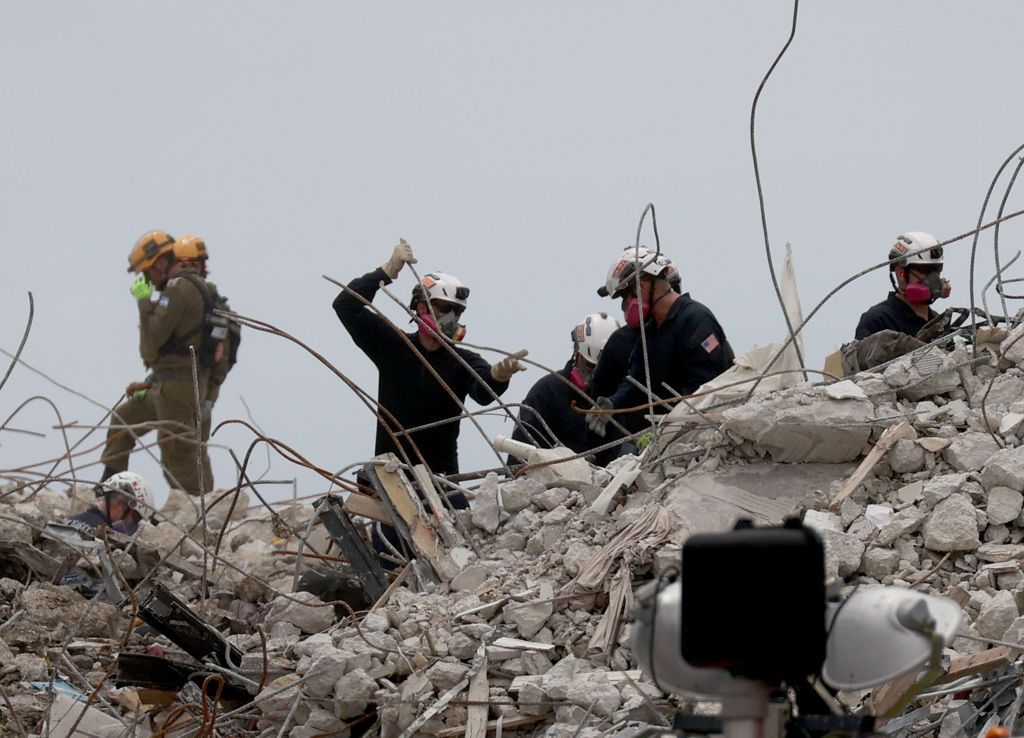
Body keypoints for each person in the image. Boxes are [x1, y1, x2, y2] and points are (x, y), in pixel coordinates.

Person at [333, 240, 528, 482]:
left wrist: (499, 376)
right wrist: (387, 271)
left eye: (457, 311)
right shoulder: (393, 347)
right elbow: (346, 305)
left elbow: (483, 392)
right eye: (445, 308)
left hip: (442, 479)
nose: (452, 317)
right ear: (421, 307)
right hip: (392, 477)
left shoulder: (463, 361)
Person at [99, 230, 214, 496]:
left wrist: (143, 302)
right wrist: (150, 381)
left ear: (161, 262)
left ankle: (198, 507)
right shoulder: (188, 288)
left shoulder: (178, 288)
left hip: (179, 387)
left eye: (147, 271)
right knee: (125, 418)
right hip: (168, 383)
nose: (146, 278)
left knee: (178, 449)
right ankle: (109, 488)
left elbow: (152, 344)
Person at [587, 246, 735, 438]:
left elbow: (703, 389)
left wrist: (667, 429)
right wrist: (612, 405)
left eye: (626, 296)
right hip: (672, 431)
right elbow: (637, 381)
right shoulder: (651, 330)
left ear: (641, 287)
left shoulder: (695, 320)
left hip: (708, 429)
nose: (626, 305)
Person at [173, 234, 241, 487]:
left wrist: (211, 391)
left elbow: (224, 355)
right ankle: (185, 498)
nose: (186, 269)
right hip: (179, 385)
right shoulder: (183, 302)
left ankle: (201, 498)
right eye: (181, 263)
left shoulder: (214, 307)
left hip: (202, 386)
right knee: (178, 445)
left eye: (191, 263)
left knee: (194, 447)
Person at [510, 312, 619, 455]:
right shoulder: (547, 392)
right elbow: (520, 452)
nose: (596, 375)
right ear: (576, 353)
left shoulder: (620, 396)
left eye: (604, 367)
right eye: (590, 365)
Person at [855, 232, 950, 340]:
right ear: (901, 273)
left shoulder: (940, 324)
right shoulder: (878, 320)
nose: (933, 278)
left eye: (936, 269)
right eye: (924, 270)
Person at [66, 471, 155, 537]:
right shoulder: (102, 533)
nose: (128, 526)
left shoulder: (83, 518)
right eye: (131, 519)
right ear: (118, 502)